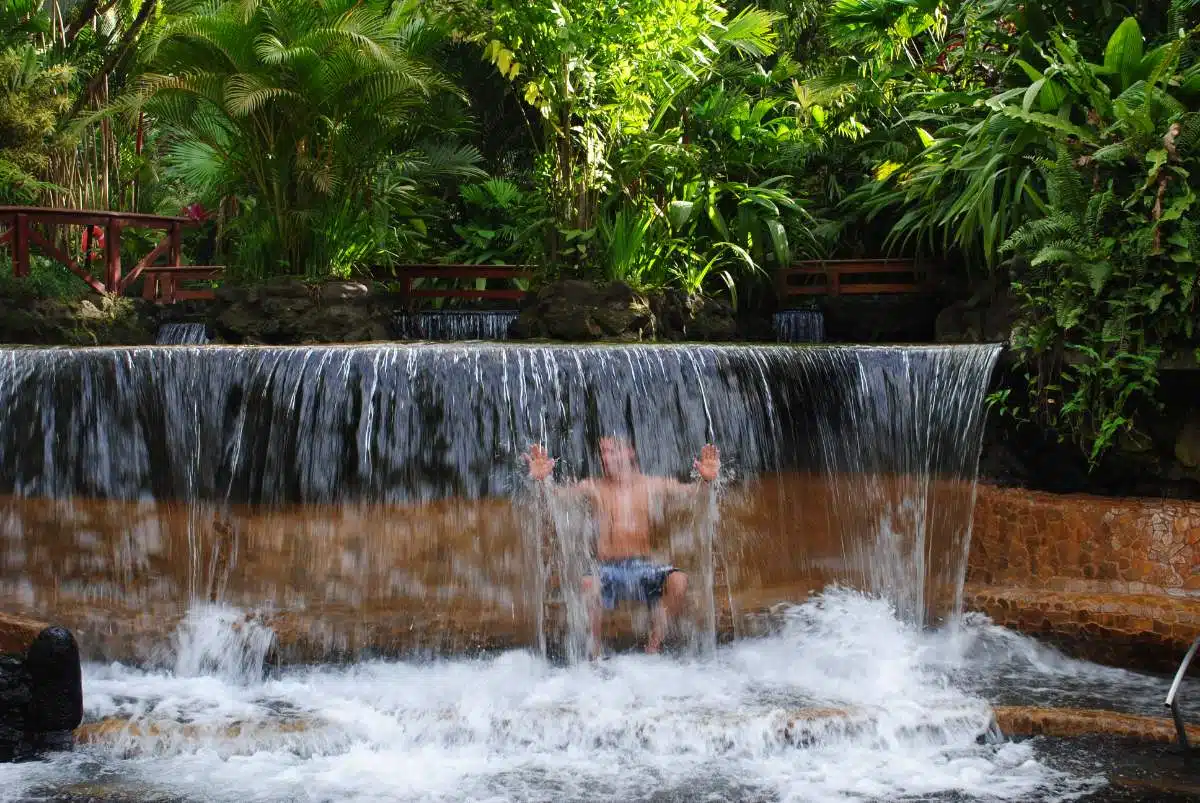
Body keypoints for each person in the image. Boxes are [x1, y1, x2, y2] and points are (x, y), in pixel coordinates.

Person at [523, 437, 720, 655]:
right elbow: (559, 498)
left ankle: (654, 647)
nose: (606, 457)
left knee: (679, 581)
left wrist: (706, 481)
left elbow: (692, 496)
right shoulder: (593, 487)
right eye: (603, 453)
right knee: (588, 583)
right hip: (607, 569)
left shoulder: (653, 484)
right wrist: (543, 482)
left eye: (613, 451)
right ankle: (594, 654)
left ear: (630, 452)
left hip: (644, 567)